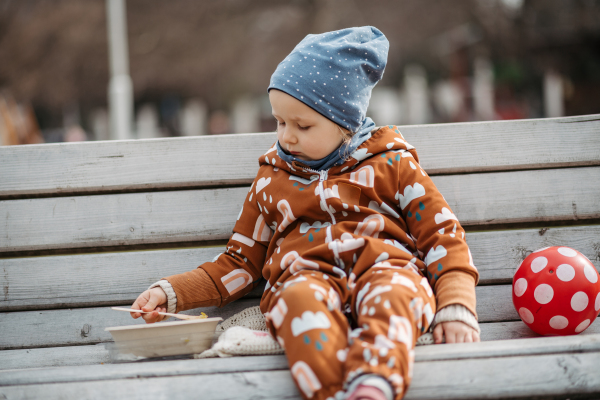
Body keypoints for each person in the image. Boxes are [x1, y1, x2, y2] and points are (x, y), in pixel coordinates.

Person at [130, 26, 480, 400]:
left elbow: (443, 236)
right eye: (280, 122)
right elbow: (239, 263)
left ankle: (373, 384)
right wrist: (173, 292)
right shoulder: (271, 180)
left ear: (346, 123)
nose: (286, 137)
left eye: (303, 125)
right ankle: (331, 393)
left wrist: (457, 305)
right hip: (304, 278)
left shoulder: (392, 165)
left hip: (387, 269)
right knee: (296, 303)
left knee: (396, 294)